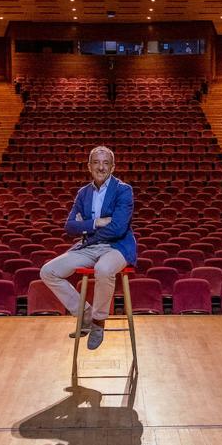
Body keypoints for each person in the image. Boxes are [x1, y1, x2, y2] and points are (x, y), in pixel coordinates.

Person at [40, 146, 137, 350]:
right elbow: (69, 227)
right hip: (89, 247)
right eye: (96, 162)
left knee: (103, 269)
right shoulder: (83, 193)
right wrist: (96, 222)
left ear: (112, 166)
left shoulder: (123, 190)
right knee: (48, 271)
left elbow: (118, 228)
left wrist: (86, 228)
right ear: (89, 166)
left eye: (105, 163)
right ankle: (85, 316)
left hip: (117, 247)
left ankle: (98, 322)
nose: (101, 167)